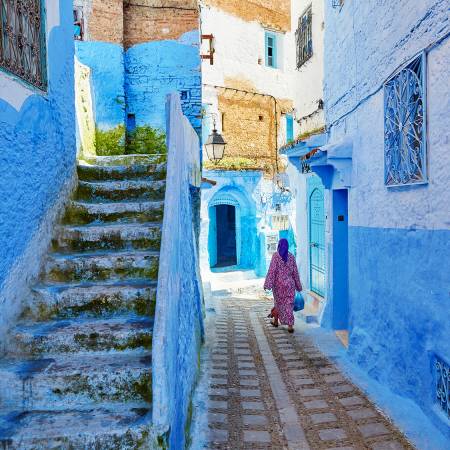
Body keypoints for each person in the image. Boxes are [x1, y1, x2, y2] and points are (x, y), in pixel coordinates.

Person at [264, 238, 302, 333]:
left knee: (278, 303)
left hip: (278, 285)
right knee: (289, 305)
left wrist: (267, 285)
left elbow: (272, 271)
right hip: (290, 285)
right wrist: (298, 286)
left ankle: (276, 321)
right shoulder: (291, 257)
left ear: (279, 245)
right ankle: (290, 326)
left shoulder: (276, 256)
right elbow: (295, 273)